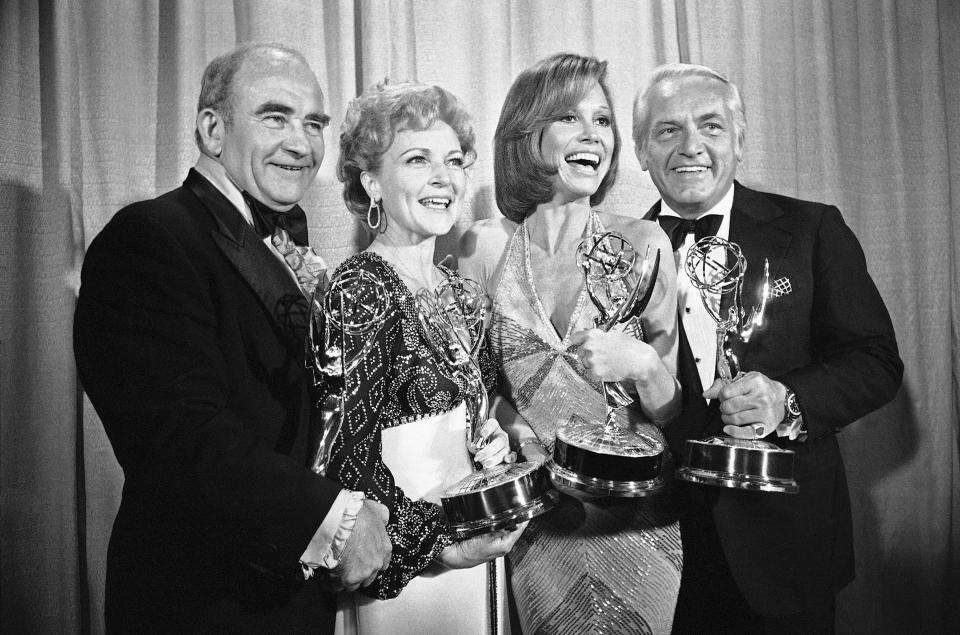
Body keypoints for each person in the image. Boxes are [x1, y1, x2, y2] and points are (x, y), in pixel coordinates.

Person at [73, 43, 393, 633]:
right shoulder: (149, 237)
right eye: (276, 117)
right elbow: (179, 438)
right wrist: (336, 519)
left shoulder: (285, 245)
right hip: (200, 602)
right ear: (212, 130)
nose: (302, 143)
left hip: (292, 600)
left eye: (314, 123)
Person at [633, 62, 904, 633]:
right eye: (667, 130)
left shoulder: (811, 229)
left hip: (786, 544)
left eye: (710, 126)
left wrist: (788, 400)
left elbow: (876, 360)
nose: (691, 147)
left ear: (739, 140)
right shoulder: (611, 253)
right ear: (640, 151)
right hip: (655, 547)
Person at [459, 53, 683, 634]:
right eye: (569, 117)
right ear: (527, 135)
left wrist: (642, 365)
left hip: (635, 525)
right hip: (541, 526)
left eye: (603, 120)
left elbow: (672, 408)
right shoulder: (481, 249)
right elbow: (473, 388)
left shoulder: (645, 243)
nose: (593, 135)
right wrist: (516, 430)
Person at [327, 80, 524, 635]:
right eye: (418, 160)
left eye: (454, 161)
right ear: (371, 182)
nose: (444, 178)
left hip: (478, 553)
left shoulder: (460, 293)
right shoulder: (358, 290)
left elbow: (487, 408)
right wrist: (442, 545)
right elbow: (348, 466)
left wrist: (497, 443)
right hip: (406, 573)